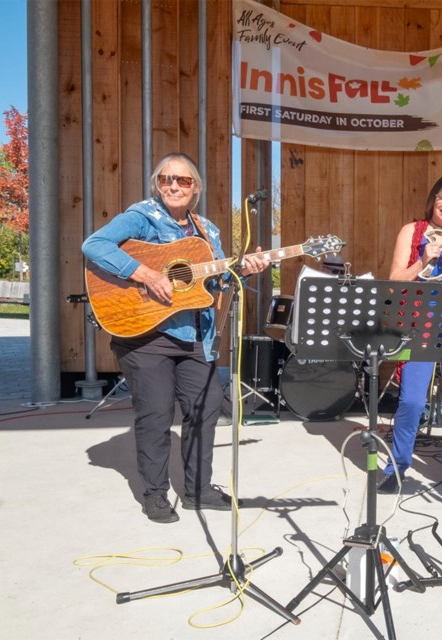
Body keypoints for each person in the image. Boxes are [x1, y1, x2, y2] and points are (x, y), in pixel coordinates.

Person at [82, 152, 270, 523]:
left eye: (182, 180)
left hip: (194, 334)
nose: (173, 185)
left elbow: (215, 282)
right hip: (145, 331)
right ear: (157, 184)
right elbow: (95, 245)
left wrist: (244, 270)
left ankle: (198, 490)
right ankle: (154, 494)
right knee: (156, 413)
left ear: (195, 188)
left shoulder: (207, 231)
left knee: (206, 407)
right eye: (166, 179)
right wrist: (145, 274)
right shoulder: (143, 216)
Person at [377, 173, 442, 496]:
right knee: (410, 400)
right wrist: (424, 260)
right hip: (419, 321)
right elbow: (395, 281)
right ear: (432, 200)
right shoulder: (412, 231)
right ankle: (398, 464)